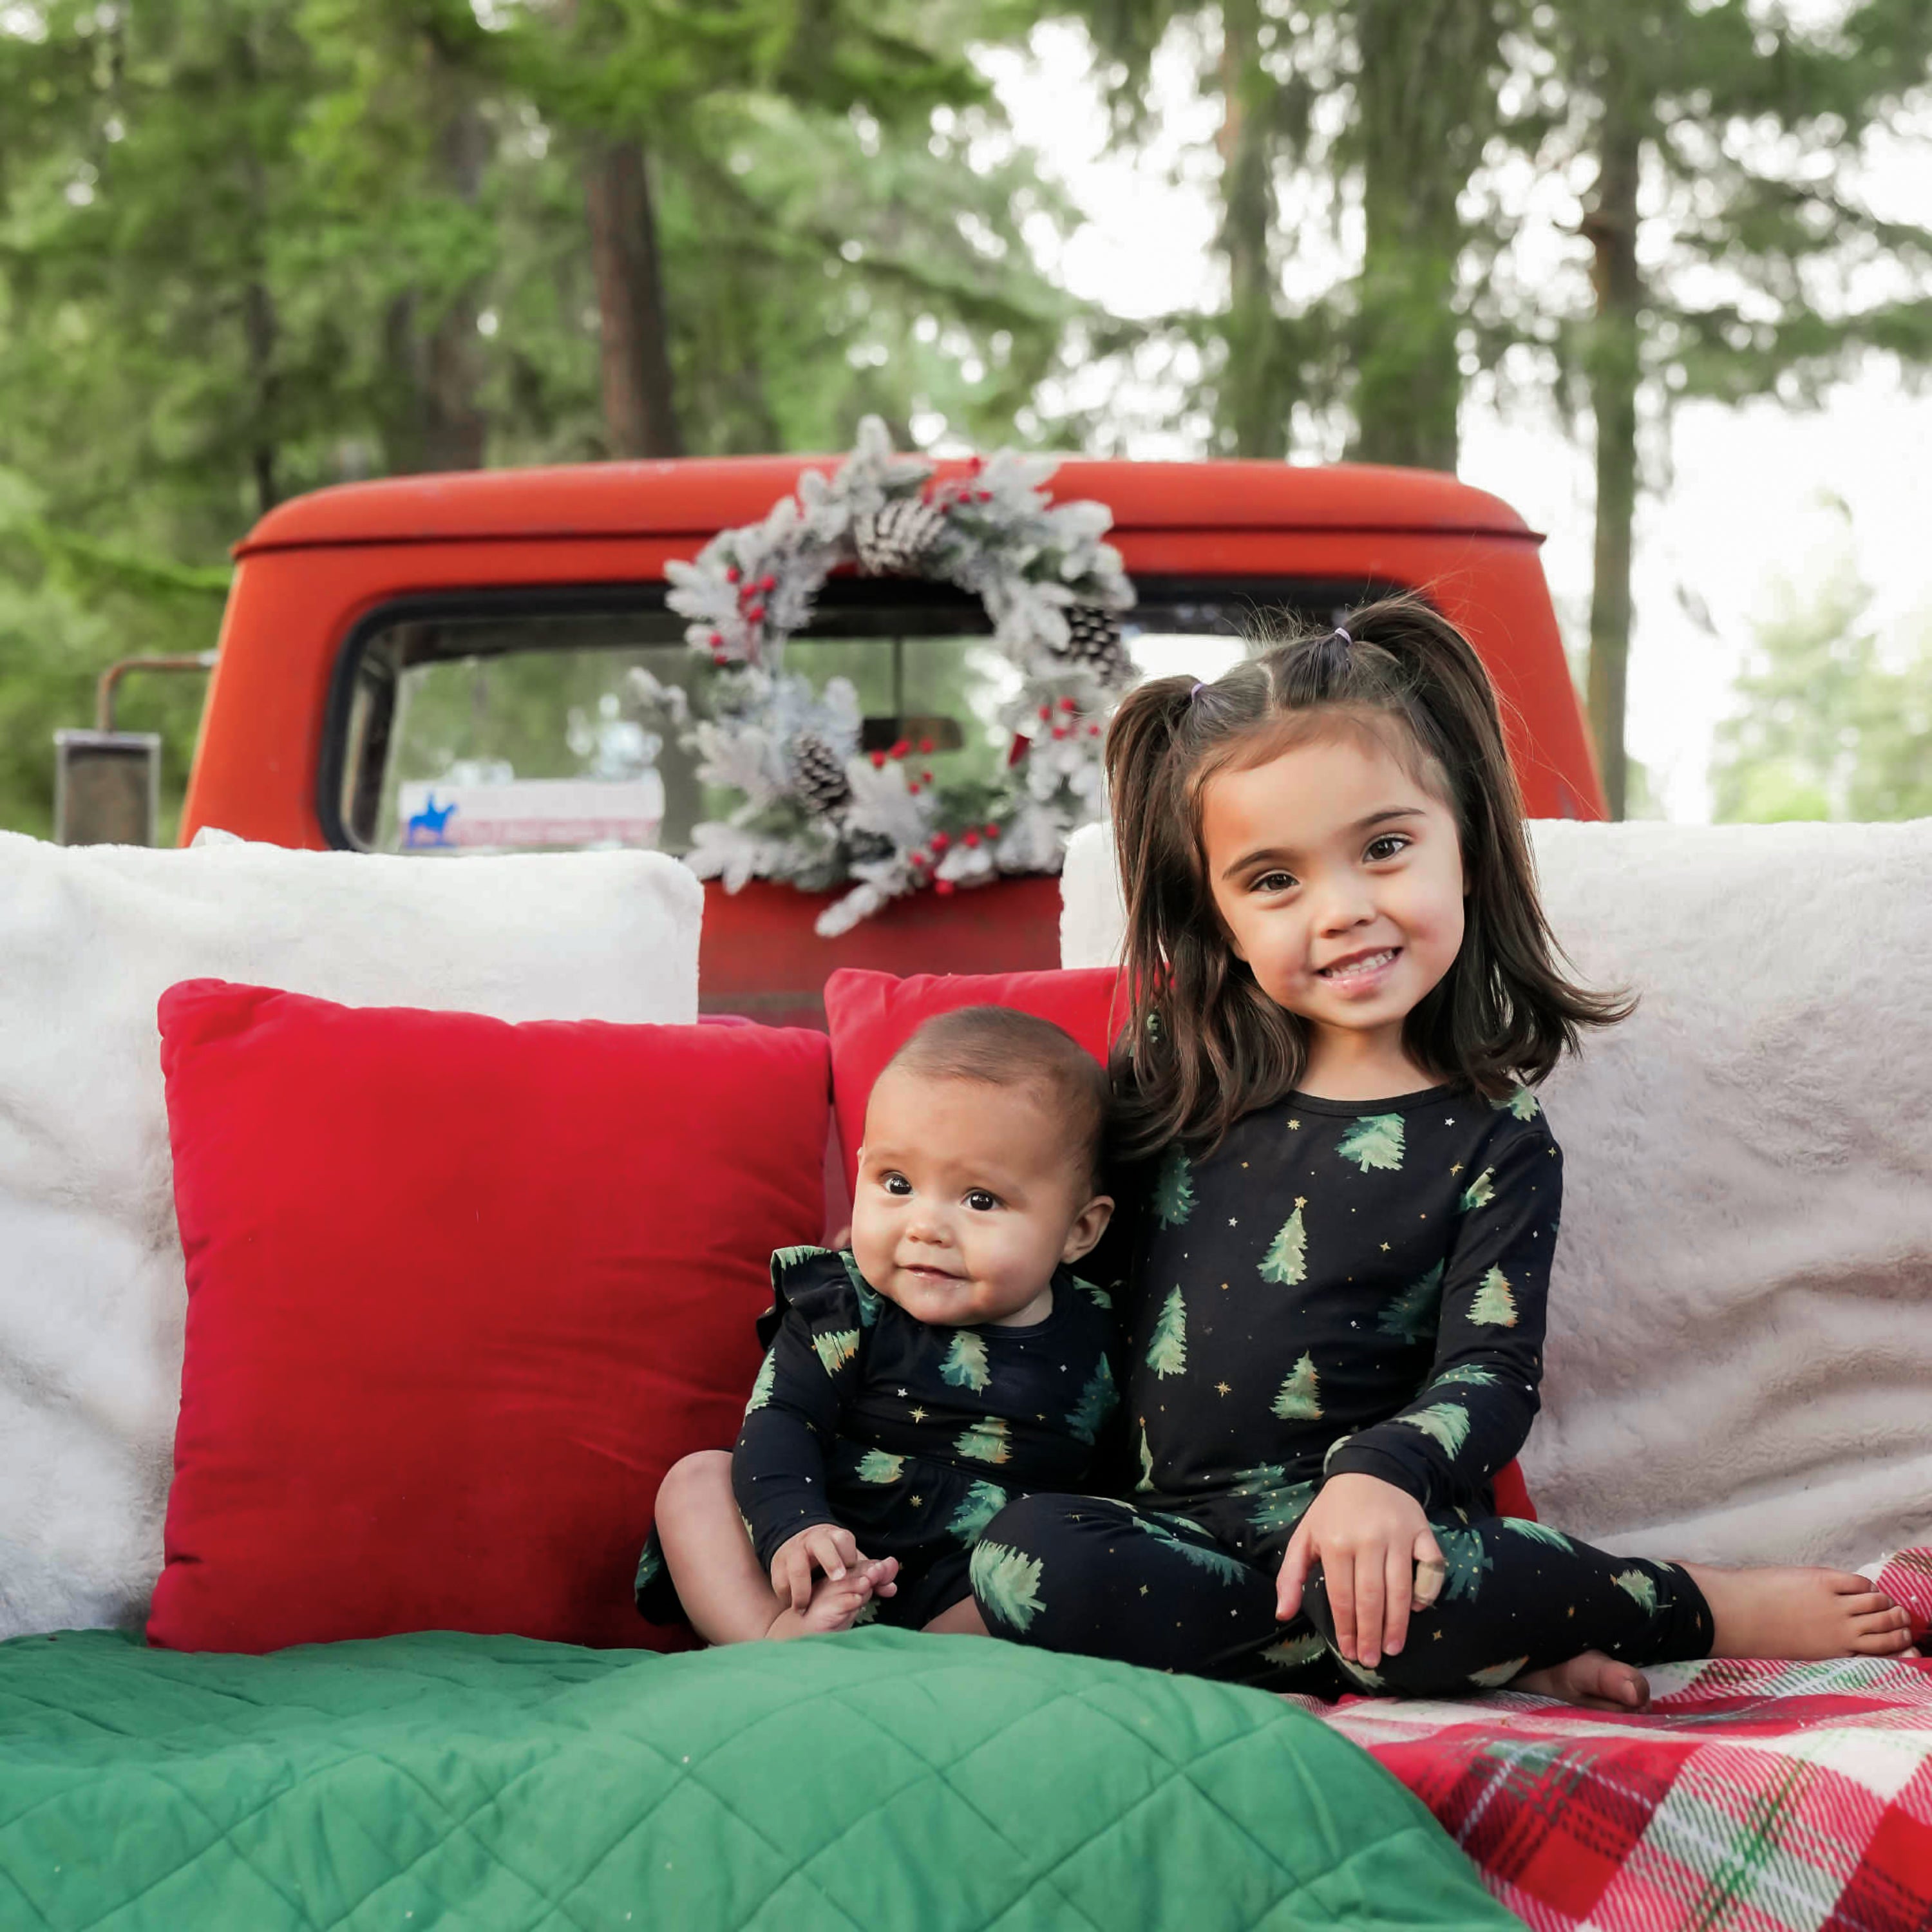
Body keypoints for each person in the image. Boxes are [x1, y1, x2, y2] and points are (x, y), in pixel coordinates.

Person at [963, 596, 1915, 1709]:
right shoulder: (1176, 1073)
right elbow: (1068, 1250)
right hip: (1173, 1540)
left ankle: (1679, 1600)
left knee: (1408, 1604)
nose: (1343, 910)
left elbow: (1489, 1371)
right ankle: (1502, 1652)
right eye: (1276, 880)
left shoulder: (1492, 1137)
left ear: (1464, 845)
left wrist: (1383, 1473)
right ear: (1218, 915)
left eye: (1383, 848)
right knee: (1024, 1558)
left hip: (1385, 1535)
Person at [639, 1005, 1120, 1642]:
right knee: (695, 1481)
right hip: (820, 1546)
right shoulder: (843, 1303)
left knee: (1071, 1558)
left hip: (970, 1587)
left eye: (980, 1200)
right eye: (896, 1183)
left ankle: (921, 1662)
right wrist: (796, 1527)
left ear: (1080, 1230)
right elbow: (780, 1420)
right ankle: (767, 1640)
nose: (924, 1226)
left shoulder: (1104, 1336)